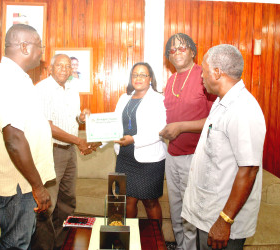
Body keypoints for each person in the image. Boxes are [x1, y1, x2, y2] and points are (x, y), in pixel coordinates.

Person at [182, 44, 266, 250]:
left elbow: (248, 170)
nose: (201, 76)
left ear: (217, 72)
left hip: (223, 220)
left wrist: (225, 220)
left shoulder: (243, 109)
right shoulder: (221, 104)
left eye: (204, 70)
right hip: (210, 214)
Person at [0, 24, 55, 249]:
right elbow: (13, 138)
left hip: (23, 181)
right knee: (15, 243)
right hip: (18, 183)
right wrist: (38, 186)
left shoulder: (19, 78)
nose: (42, 51)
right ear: (24, 46)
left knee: (22, 239)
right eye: (39, 46)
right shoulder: (6, 78)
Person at [159, 33, 216, 250]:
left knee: (191, 214)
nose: (177, 53)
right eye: (172, 50)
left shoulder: (204, 75)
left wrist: (182, 126)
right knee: (176, 210)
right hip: (171, 155)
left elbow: (215, 121)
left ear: (192, 51)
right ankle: (181, 247)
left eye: (182, 48)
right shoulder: (171, 80)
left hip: (196, 156)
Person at [33, 54, 93, 249]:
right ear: (51, 68)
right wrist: (78, 141)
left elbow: (73, 120)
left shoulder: (72, 89)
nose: (64, 69)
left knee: (67, 202)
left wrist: (82, 118)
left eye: (68, 66)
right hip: (51, 151)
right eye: (59, 65)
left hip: (69, 152)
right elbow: (47, 126)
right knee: (47, 204)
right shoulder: (42, 89)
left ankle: (61, 244)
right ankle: (43, 246)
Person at [113, 62, 167, 226]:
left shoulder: (159, 99)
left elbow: (161, 130)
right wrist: (97, 141)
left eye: (143, 74)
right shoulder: (124, 98)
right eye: (135, 74)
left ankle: (156, 241)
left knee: (150, 202)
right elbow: (113, 125)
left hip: (149, 160)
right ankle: (130, 238)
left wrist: (134, 139)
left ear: (150, 78)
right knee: (128, 200)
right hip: (125, 157)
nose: (138, 78)